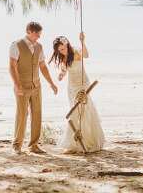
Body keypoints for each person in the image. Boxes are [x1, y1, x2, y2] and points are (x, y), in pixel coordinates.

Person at [49, 32, 104, 153]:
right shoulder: (63, 57)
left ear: (66, 44)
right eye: (60, 50)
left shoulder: (77, 51)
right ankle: (75, 142)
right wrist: (61, 75)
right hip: (72, 87)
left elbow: (87, 55)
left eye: (63, 48)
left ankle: (88, 140)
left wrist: (82, 41)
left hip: (83, 84)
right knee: (75, 111)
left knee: (85, 110)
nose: (62, 51)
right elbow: (64, 70)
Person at [9, 21, 58, 154]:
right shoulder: (16, 45)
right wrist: (17, 85)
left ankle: (34, 145)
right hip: (22, 86)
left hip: (36, 86)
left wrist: (51, 83)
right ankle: (17, 145)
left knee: (37, 115)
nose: (39, 37)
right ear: (29, 31)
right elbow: (12, 66)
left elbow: (42, 66)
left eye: (40, 34)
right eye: (37, 34)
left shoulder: (39, 47)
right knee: (22, 115)